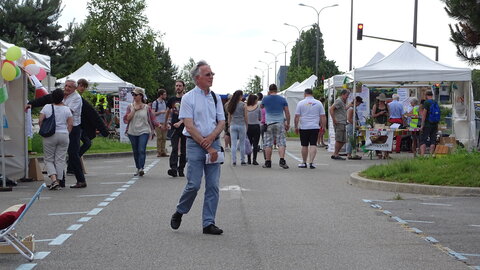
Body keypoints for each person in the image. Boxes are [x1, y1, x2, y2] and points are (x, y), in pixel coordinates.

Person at [170, 60, 225, 235]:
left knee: (213, 186)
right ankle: (180, 211)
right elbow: (189, 125)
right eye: (208, 74)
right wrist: (206, 144)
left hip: (213, 142)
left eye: (212, 74)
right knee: (193, 184)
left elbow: (222, 121)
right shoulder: (188, 98)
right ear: (197, 78)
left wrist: (211, 139)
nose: (211, 77)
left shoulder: (215, 97)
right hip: (195, 144)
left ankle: (208, 223)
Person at [66, 78, 109, 175]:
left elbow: (91, 113)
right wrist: (104, 130)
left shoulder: (78, 97)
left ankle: (71, 164)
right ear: (77, 85)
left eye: (84, 87)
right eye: (81, 86)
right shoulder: (76, 97)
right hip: (75, 125)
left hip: (78, 125)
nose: (82, 88)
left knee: (81, 146)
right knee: (80, 146)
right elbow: (92, 113)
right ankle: (71, 165)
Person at [39, 89, 73, 190]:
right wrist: (67, 133)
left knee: (49, 159)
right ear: (62, 97)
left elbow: (40, 120)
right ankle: (58, 181)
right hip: (64, 135)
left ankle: (54, 180)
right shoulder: (67, 109)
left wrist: (43, 130)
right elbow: (70, 124)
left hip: (50, 135)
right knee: (60, 160)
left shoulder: (47, 107)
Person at [123, 88, 159, 176]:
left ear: (141, 96)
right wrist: (134, 110)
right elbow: (127, 119)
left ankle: (141, 168)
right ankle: (138, 168)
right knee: (135, 151)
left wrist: (159, 125)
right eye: (133, 95)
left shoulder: (147, 107)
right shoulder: (130, 106)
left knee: (141, 150)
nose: (134, 96)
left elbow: (152, 118)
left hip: (144, 131)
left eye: (136, 95)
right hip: (132, 131)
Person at [294, 88, 326, 168]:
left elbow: (297, 116)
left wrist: (296, 127)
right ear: (312, 94)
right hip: (314, 127)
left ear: (305, 94)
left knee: (304, 145)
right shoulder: (318, 103)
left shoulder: (300, 103)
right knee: (313, 144)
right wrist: (323, 127)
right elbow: (323, 116)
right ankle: (311, 162)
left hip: (304, 127)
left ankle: (304, 162)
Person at [261, 84, 290, 169]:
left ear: (269, 91)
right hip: (279, 123)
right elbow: (287, 112)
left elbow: (261, 107)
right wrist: (287, 123)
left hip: (269, 123)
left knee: (268, 143)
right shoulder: (282, 99)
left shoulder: (265, 99)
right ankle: (282, 160)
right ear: (277, 90)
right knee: (281, 142)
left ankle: (268, 162)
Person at [165, 80, 187, 177]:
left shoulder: (186, 99)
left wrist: (181, 122)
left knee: (183, 149)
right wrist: (166, 123)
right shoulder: (171, 100)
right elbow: (167, 111)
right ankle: (173, 168)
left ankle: (181, 168)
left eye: (180, 86)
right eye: (177, 85)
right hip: (174, 127)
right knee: (174, 148)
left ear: (183, 87)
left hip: (185, 127)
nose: (178, 87)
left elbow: (189, 114)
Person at [226, 90, 248, 166]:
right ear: (240, 96)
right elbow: (245, 116)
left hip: (233, 124)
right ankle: (242, 160)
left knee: (233, 144)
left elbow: (229, 116)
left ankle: (234, 160)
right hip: (241, 124)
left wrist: (229, 125)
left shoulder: (231, 104)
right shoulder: (243, 105)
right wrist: (247, 124)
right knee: (242, 143)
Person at [329, 89, 349, 160]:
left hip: (342, 122)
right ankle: (335, 154)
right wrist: (334, 119)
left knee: (343, 140)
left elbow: (343, 110)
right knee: (339, 139)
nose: (347, 97)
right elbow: (331, 109)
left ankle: (336, 153)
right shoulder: (339, 101)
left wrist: (349, 105)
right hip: (339, 122)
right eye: (347, 95)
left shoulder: (342, 102)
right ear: (343, 94)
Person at [420, 91, 439, 156]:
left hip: (427, 124)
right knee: (433, 140)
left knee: (423, 139)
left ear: (426, 95)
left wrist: (422, 125)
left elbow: (424, 114)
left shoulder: (426, 102)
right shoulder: (435, 102)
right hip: (435, 124)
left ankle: (422, 155)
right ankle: (431, 155)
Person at [151, 89, 169, 157]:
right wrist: (160, 112)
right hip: (158, 122)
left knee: (164, 137)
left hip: (164, 121)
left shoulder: (165, 102)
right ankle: (159, 151)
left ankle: (163, 151)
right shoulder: (155, 102)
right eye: (164, 94)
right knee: (159, 137)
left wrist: (167, 122)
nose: (165, 96)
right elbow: (153, 113)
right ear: (161, 95)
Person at [371, 93, 389, 159]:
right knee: (377, 138)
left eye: (383, 100)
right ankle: (378, 152)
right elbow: (373, 115)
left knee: (386, 137)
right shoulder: (376, 106)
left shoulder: (387, 106)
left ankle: (386, 153)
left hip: (385, 123)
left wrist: (386, 114)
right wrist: (379, 113)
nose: (382, 102)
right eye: (381, 100)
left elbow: (389, 114)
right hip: (377, 123)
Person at [246, 94, 261, 165]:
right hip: (256, 126)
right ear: (255, 100)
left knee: (249, 143)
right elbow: (260, 117)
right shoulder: (258, 107)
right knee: (255, 143)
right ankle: (254, 159)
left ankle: (248, 159)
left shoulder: (245, 107)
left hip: (248, 126)